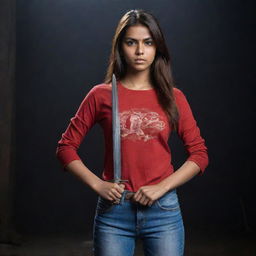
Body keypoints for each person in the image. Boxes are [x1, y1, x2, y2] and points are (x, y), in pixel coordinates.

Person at [56, 9, 208, 256]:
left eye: (148, 43)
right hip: (114, 213)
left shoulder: (173, 97)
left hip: (163, 212)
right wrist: (98, 184)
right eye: (131, 42)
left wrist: (162, 187)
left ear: (157, 47)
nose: (140, 51)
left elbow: (199, 154)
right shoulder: (101, 95)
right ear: (120, 46)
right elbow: (65, 148)